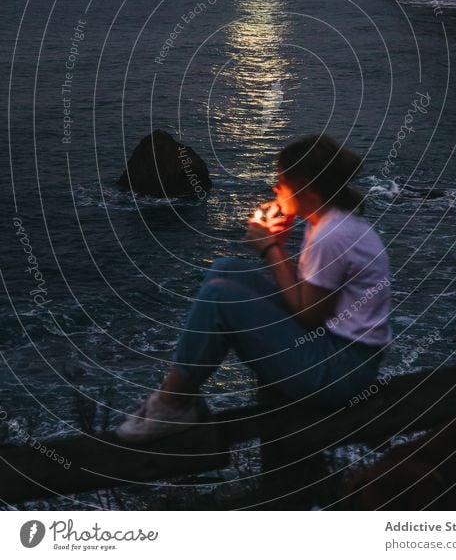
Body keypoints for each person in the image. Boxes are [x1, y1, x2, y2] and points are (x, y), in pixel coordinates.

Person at [116, 133, 392, 442]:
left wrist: (270, 248)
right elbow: (310, 302)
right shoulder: (333, 224)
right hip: (338, 356)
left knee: (220, 295)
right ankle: (185, 393)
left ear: (302, 185)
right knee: (226, 269)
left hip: (340, 374)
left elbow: (309, 316)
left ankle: (171, 405)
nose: (275, 188)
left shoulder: (332, 236)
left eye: (281, 180)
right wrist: (279, 244)